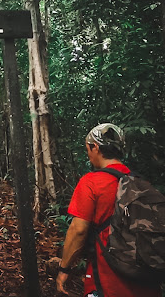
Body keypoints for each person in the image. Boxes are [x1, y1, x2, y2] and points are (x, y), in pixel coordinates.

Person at [56, 123, 161, 297]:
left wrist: (64, 269)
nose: (88, 155)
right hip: (146, 280)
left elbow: (78, 230)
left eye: (88, 149)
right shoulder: (140, 183)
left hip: (108, 280)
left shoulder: (91, 182)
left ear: (95, 147)